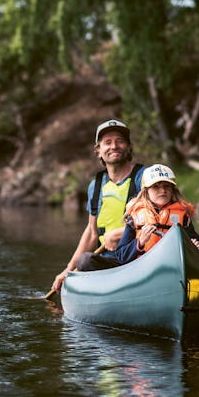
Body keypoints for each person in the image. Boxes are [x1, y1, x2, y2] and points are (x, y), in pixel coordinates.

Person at [50, 119, 145, 294]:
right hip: (108, 262)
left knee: (86, 261)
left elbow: (159, 217)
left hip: (139, 257)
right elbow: (92, 232)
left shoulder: (144, 177)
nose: (114, 146)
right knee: (85, 260)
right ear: (98, 151)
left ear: (129, 147)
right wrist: (68, 270)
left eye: (120, 141)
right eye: (107, 142)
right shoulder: (96, 186)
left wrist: (120, 234)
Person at [105, 163, 199, 267]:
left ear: (172, 190)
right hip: (142, 266)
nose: (163, 190)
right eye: (156, 186)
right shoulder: (134, 217)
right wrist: (140, 242)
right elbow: (121, 255)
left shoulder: (183, 217)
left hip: (173, 265)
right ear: (146, 191)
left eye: (167, 186)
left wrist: (196, 249)